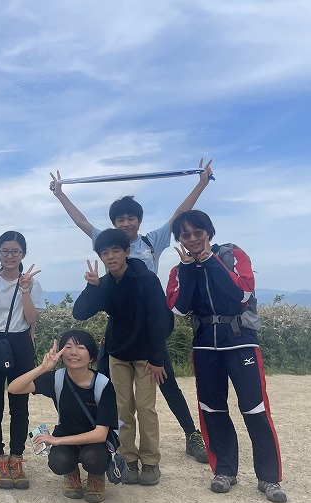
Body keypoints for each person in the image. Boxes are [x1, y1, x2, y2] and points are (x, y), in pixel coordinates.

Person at [50, 160, 213, 463]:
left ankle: (192, 435)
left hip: (150, 327)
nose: (125, 224)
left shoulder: (152, 241)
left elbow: (179, 214)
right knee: (106, 384)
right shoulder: (107, 242)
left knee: (166, 382)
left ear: (139, 221)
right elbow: (82, 222)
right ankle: (107, 439)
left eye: (130, 218)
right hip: (120, 327)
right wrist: (60, 194)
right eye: (120, 219)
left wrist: (201, 183)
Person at [166, 210, 287, 503]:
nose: (192, 239)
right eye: (185, 235)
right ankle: (224, 470)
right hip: (205, 346)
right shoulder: (179, 270)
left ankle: (269, 477)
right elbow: (179, 308)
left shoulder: (232, 255)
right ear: (180, 239)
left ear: (209, 232)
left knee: (255, 408)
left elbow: (241, 294)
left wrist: (210, 261)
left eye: (198, 232)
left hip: (240, 342)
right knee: (212, 409)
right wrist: (189, 270)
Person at [72, 228, 174, 486]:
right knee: (122, 409)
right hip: (118, 355)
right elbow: (80, 313)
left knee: (146, 408)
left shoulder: (147, 279)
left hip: (146, 357)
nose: (110, 256)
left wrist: (158, 358)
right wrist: (92, 287)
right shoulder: (105, 284)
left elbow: (160, 319)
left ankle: (150, 461)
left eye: (115, 250)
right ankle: (128, 458)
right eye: (105, 252)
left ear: (127, 251)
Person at [8, 330, 119, 503]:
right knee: (58, 461)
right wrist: (43, 368)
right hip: (67, 435)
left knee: (94, 458)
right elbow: (13, 388)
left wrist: (56, 440)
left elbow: (100, 434)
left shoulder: (103, 384)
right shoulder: (57, 378)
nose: (73, 352)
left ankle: (96, 477)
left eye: (80, 347)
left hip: (96, 443)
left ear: (91, 357)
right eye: (68, 346)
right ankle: (71, 473)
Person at [0, 231, 45, 489]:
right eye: (5, 251)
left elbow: (31, 318)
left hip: (20, 344)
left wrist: (25, 290)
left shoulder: (32, 284)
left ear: (23, 254)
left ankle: (16, 457)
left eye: (15, 251)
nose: (9, 256)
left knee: (20, 403)